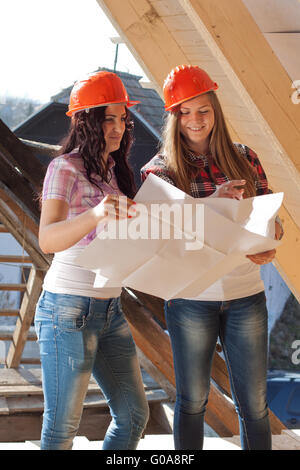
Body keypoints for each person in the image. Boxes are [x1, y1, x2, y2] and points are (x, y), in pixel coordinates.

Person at [141, 65, 283, 450]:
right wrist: (210, 204)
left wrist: (271, 239)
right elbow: (159, 237)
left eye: (202, 109)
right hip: (190, 299)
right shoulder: (160, 172)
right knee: (192, 402)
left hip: (245, 295)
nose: (194, 120)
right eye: (184, 112)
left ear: (215, 111)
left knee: (253, 405)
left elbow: (269, 216)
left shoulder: (244, 158)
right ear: (173, 117)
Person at [35, 70, 149, 450]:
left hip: (110, 309)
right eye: (107, 118)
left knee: (134, 416)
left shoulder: (115, 171)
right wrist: (97, 214)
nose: (117, 128)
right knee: (62, 428)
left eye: (122, 118)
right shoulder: (63, 168)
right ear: (86, 121)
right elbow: (48, 239)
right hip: (66, 310)